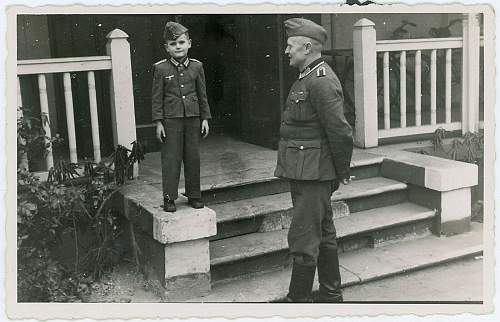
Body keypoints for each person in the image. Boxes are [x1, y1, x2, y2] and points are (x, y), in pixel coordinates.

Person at [274, 18, 354, 302]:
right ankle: (331, 296)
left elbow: (340, 132)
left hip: (314, 173)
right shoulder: (308, 76)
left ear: (307, 47)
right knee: (323, 231)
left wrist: (340, 171)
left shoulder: (320, 81)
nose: (286, 51)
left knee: (304, 237)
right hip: (306, 170)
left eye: (290, 46)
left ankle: (298, 301)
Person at [151, 21, 212, 212]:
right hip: (171, 120)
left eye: (181, 42)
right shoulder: (161, 69)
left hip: (193, 118)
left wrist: (205, 118)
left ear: (189, 43)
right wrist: (158, 122)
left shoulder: (196, 67)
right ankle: (169, 197)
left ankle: (194, 195)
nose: (178, 47)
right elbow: (156, 97)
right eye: (173, 43)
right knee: (171, 159)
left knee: (193, 157)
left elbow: (202, 95)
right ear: (166, 48)